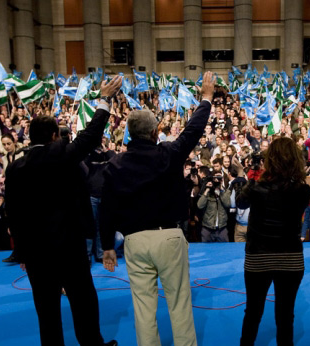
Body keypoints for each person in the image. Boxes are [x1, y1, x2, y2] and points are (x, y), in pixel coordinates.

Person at [99, 71, 215, 346]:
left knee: (144, 309)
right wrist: (207, 98)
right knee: (179, 305)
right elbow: (193, 130)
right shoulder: (168, 154)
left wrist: (106, 246)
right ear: (154, 132)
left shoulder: (115, 165)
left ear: (129, 134)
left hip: (135, 241)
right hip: (169, 238)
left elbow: (107, 208)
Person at [5, 76, 122, 346]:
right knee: (84, 301)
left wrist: (20, 251)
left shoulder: (15, 169)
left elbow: (13, 215)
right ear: (55, 136)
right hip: (69, 248)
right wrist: (104, 99)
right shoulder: (62, 155)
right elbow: (92, 134)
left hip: (35, 253)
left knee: (46, 311)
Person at [236, 137, 310, 346]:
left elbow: (240, 202)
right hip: (291, 258)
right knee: (286, 315)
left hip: (258, 257)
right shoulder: (303, 191)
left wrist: (254, 177)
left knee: (253, 311)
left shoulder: (256, 188)